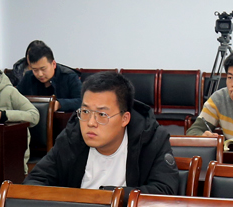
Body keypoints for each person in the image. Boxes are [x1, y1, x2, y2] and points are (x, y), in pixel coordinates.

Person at [25, 71, 181, 194]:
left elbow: (165, 190)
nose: (91, 123)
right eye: (85, 111)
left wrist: (106, 197)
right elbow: (35, 181)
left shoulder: (152, 139)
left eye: (102, 114)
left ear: (124, 118)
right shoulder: (72, 136)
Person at [16, 40, 82, 113]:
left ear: (53, 64)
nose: (40, 74)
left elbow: (81, 101)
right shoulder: (28, 76)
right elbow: (15, 97)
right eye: (35, 70)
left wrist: (59, 104)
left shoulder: (69, 76)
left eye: (43, 69)